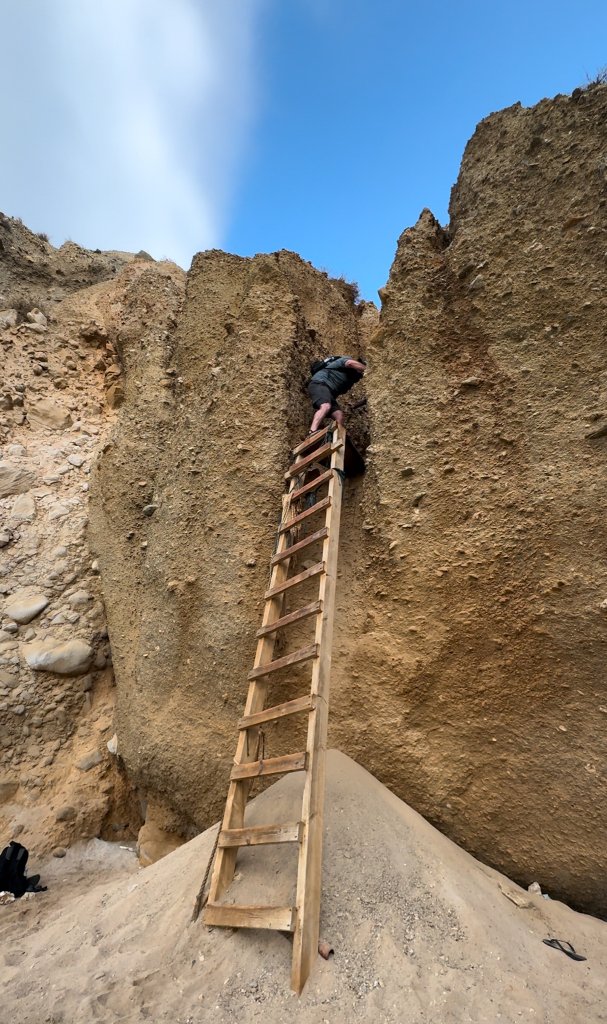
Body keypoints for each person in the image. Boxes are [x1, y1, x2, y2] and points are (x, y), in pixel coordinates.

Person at [307, 355, 367, 433]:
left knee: (339, 415)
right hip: (320, 383)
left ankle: (335, 439)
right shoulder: (345, 360)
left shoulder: (350, 380)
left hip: (329, 392)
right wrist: (369, 370)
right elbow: (350, 363)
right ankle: (312, 431)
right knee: (325, 406)